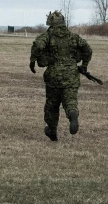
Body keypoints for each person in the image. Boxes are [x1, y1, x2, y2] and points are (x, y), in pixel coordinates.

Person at [29, 10, 92, 141]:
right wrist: (84, 65)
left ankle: (52, 130)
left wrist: (32, 61)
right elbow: (87, 49)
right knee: (70, 101)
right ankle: (72, 114)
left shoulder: (48, 36)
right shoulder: (73, 37)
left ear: (51, 24)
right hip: (71, 76)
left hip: (54, 76)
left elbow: (38, 45)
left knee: (52, 105)